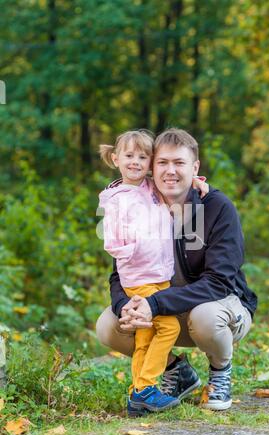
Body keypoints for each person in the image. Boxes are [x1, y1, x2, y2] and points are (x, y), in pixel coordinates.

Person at [97, 128, 257, 413]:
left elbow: (219, 282)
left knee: (206, 316)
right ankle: (176, 372)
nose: (170, 171)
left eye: (179, 163)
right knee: (110, 325)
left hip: (219, 308)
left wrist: (153, 304)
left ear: (195, 167)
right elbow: (120, 272)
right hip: (163, 309)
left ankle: (220, 371)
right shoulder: (140, 204)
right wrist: (127, 306)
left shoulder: (216, 206)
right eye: (163, 163)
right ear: (151, 168)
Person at [98, 129, 208, 416]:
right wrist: (133, 251)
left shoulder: (149, 187)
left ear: (150, 163)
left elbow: (175, 184)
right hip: (138, 276)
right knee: (168, 327)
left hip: (159, 275)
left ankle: (137, 396)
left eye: (143, 157)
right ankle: (147, 386)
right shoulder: (116, 198)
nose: (135, 162)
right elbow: (111, 241)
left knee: (146, 336)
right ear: (115, 158)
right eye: (129, 156)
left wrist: (195, 181)